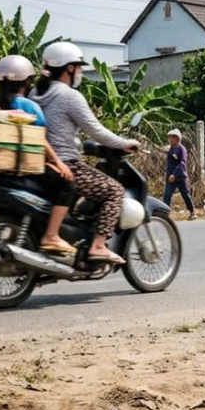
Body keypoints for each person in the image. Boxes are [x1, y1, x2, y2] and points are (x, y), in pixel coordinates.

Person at [32, 41, 138, 265]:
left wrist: (82, 145)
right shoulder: (68, 96)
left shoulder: (35, 93)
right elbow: (97, 130)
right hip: (65, 163)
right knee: (114, 191)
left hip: (37, 162)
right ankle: (98, 246)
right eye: (78, 68)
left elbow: (58, 129)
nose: (80, 72)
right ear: (69, 68)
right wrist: (124, 142)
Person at [0, 55, 77, 255]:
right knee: (67, 183)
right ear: (27, 81)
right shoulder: (29, 106)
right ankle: (52, 235)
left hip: (3, 166)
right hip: (28, 165)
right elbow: (39, 139)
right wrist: (58, 163)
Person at [163, 128, 196, 221]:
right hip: (170, 177)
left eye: (173, 137)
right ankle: (165, 215)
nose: (171, 139)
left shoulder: (181, 149)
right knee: (167, 195)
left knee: (185, 194)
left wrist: (174, 174)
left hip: (180, 176)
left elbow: (182, 163)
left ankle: (192, 212)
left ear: (178, 139)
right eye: (170, 137)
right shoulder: (171, 149)